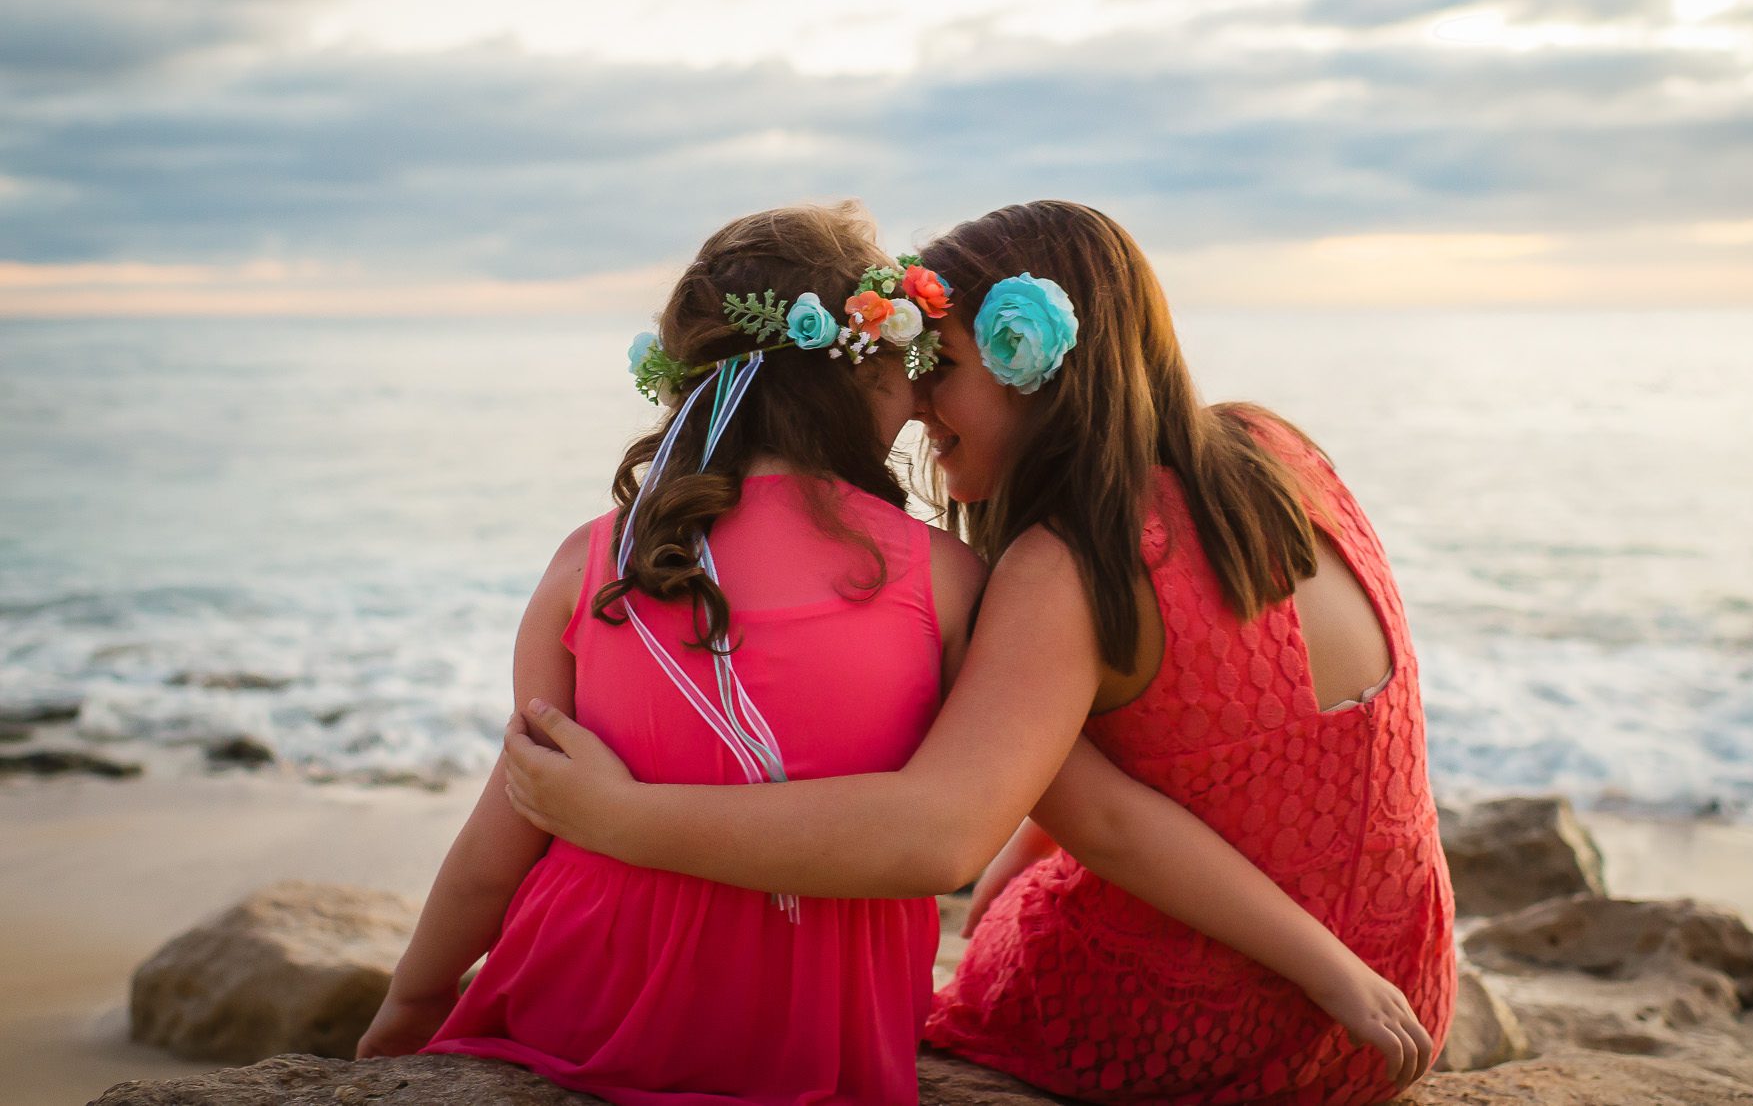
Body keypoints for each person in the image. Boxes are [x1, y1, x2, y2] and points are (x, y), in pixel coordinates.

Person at [505, 200, 1457, 1103]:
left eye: (939, 363)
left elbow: (978, 831)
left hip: (1247, 1016)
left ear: (1027, 361)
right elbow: (1155, 760)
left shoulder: (1065, 564)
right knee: (1017, 884)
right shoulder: (1272, 451)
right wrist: (1345, 968)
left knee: (1002, 935)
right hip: (1405, 971)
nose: (914, 402)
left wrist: (616, 815)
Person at [354, 202, 983, 1104]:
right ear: (861, 369)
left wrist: (411, 1001)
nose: (917, 398)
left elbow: (512, 818)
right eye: (903, 367)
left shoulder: (590, 557)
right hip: (806, 1024)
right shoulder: (947, 576)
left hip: (581, 999)